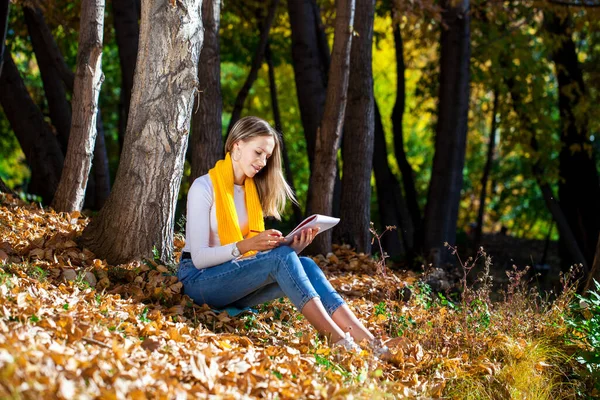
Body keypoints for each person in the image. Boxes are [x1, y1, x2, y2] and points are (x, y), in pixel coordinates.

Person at [178, 116, 389, 357]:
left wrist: (292, 249)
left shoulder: (251, 193)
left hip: (232, 279)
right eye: (258, 152)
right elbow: (199, 259)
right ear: (236, 145)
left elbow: (255, 260)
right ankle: (339, 342)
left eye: (267, 157)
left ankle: (373, 345)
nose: (262, 162)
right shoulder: (203, 187)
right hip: (198, 281)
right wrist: (247, 245)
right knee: (281, 258)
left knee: (306, 264)